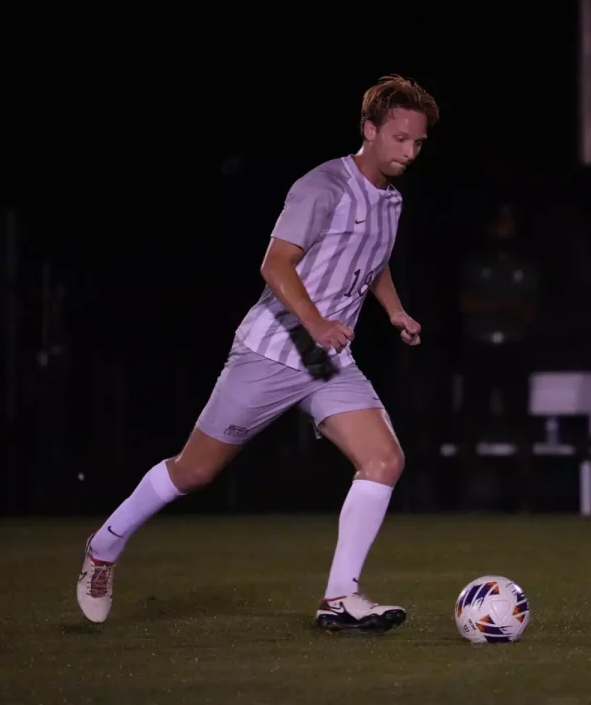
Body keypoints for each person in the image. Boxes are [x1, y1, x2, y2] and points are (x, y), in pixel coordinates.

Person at [76, 75, 439, 632]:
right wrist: (317, 323)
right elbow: (275, 264)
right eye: (400, 138)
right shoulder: (323, 186)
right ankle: (104, 546)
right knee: (194, 472)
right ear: (369, 130)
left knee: (385, 461)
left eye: (418, 142)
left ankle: (340, 598)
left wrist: (393, 311)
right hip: (271, 350)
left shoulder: (390, 198)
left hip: (327, 362)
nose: (410, 151)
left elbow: (373, 261)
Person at [456, 204, 540, 510]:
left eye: (509, 226)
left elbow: (528, 310)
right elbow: (468, 305)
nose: (504, 232)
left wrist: (494, 304)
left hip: (514, 349)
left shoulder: (525, 267)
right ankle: (467, 495)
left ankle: (524, 495)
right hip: (480, 348)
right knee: (472, 420)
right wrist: (505, 304)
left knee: (519, 421)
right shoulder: (476, 265)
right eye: (499, 226)